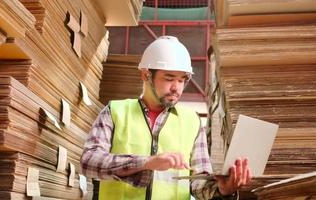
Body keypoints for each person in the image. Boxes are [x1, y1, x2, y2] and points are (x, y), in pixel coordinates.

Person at [80, 36, 251, 200]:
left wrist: (223, 189)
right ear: (146, 75)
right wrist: (146, 163)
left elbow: (199, 182)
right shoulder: (116, 111)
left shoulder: (192, 121)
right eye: (169, 78)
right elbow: (89, 162)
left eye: (182, 80)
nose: (176, 88)